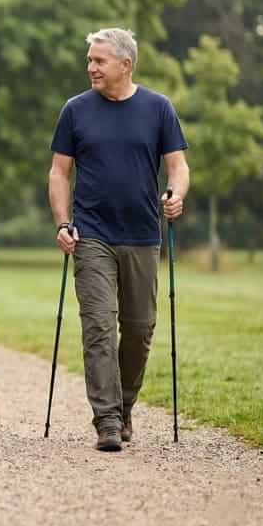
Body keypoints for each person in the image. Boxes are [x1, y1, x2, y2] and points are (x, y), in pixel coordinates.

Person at [49, 27, 189, 452]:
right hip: (91, 235)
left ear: (125, 64)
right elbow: (58, 172)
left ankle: (125, 404)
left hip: (143, 235)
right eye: (90, 60)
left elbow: (178, 167)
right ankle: (107, 419)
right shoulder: (75, 110)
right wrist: (62, 222)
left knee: (139, 329)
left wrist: (176, 194)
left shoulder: (158, 108)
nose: (90, 67)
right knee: (98, 328)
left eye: (99, 60)